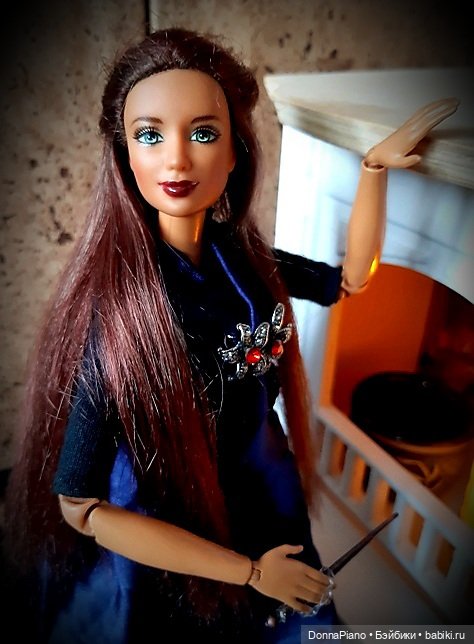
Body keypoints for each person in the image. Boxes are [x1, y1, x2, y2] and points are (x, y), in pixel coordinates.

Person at [3, 27, 457, 643]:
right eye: (150, 135)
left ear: (235, 151)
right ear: (125, 155)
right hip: (171, 504)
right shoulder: (122, 312)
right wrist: (249, 572)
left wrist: (372, 170)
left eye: (203, 133)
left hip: (258, 470)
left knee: (293, 608)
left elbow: (349, 280)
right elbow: (79, 507)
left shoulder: (243, 258)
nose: (177, 160)